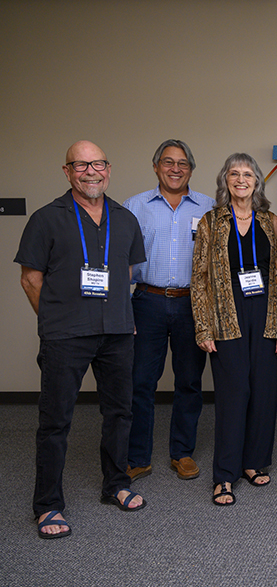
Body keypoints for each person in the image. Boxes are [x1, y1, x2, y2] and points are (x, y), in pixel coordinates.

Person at [16, 141, 147, 539]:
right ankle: (48, 504)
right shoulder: (46, 218)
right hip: (65, 336)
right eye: (82, 165)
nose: (92, 172)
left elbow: (126, 276)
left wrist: (116, 316)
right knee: (55, 421)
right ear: (67, 170)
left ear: (109, 168)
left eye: (99, 164)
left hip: (117, 333)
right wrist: (57, 320)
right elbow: (30, 279)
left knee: (120, 413)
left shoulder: (124, 218)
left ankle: (116, 484)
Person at [191, 153, 277, 506]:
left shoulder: (272, 222)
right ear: (225, 180)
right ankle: (225, 475)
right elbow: (199, 278)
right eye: (234, 173)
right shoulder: (210, 222)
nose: (241, 179)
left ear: (257, 182)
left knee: (263, 391)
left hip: (265, 313)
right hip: (225, 316)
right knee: (234, 394)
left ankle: (254, 462)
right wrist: (203, 327)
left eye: (247, 174)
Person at [124, 140, 214, 483]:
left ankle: (183, 452)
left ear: (191, 168)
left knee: (189, 381)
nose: (175, 169)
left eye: (182, 163)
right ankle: (137, 457)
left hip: (193, 303)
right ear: (156, 166)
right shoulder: (134, 207)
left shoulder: (209, 207)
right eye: (168, 162)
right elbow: (121, 262)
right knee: (141, 382)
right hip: (147, 301)